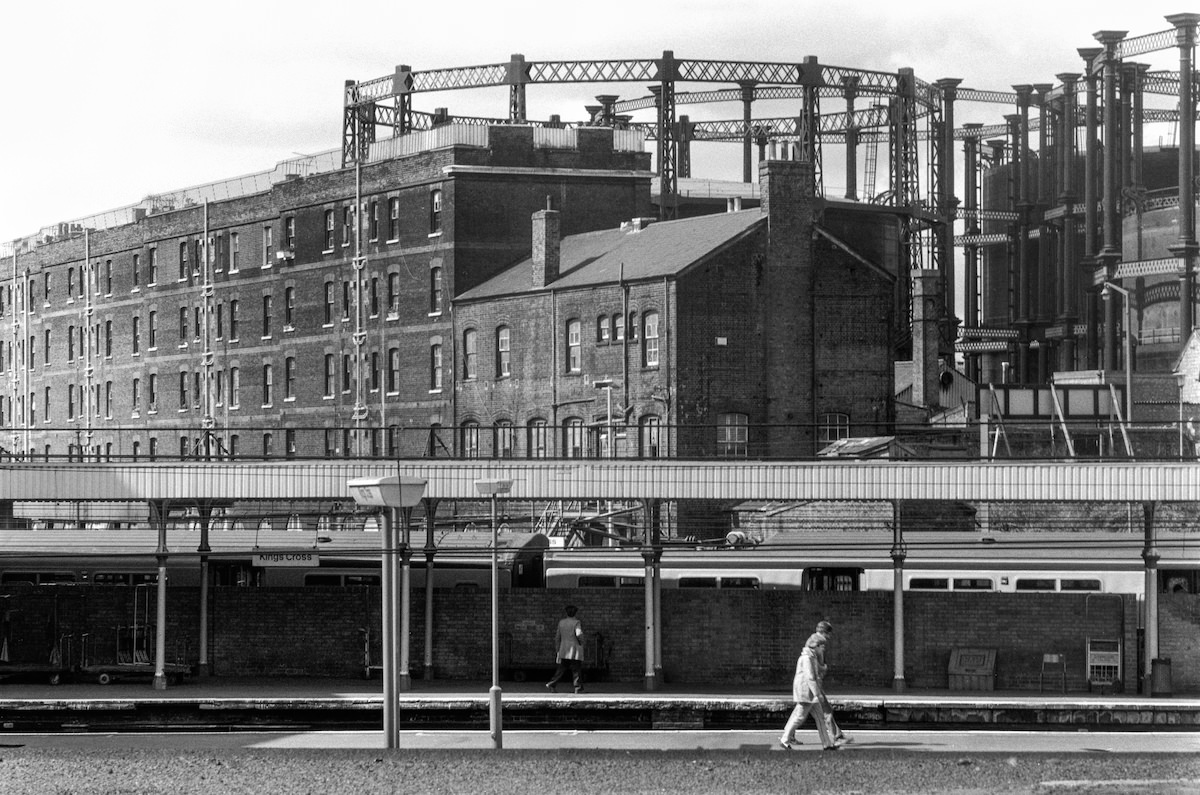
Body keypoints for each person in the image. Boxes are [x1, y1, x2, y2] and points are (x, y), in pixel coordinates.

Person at [778, 635, 837, 751]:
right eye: (822, 646)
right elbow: (810, 677)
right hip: (806, 692)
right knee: (800, 716)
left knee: (820, 718)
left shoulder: (812, 657)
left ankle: (827, 744)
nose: (823, 649)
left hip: (810, 693)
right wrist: (818, 693)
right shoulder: (807, 658)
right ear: (817, 646)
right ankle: (784, 739)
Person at [807, 619, 852, 745]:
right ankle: (835, 737)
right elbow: (816, 662)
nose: (829, 637)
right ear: (825, 633)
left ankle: (789, 735)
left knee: (802, 710)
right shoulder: (819, 642)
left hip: (810, 681)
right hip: (815, 682)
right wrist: (823, 668)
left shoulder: (811, 640)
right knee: (826, 709)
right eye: (829, 634)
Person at [546, 604, 584, 693]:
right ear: (575, 613)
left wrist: (558, 649)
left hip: (564, 649)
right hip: (574, 649)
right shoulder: (576, 622)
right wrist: (582, 642)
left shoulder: (561, 622)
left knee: (561, 668)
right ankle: (578, 687)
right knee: (576, 669)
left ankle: (552, 683)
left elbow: (557, 637)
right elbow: (579, 633)